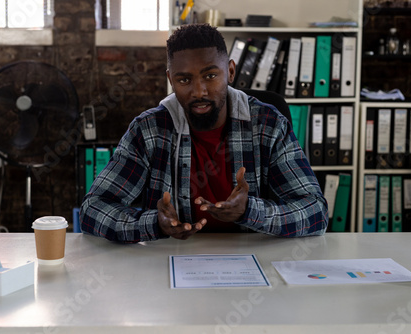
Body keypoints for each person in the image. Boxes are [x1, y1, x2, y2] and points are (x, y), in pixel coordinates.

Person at [80, 24, 328, 242]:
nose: (199, 91)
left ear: (230, 72)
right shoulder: (149, 129)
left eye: (210, 76)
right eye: (184, 80)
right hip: (171, 264)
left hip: (253, 266)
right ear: (170, 79)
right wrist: (154, 223)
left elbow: (316, 211)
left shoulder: (268, 124)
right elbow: (93, 209)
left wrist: (249, 211)